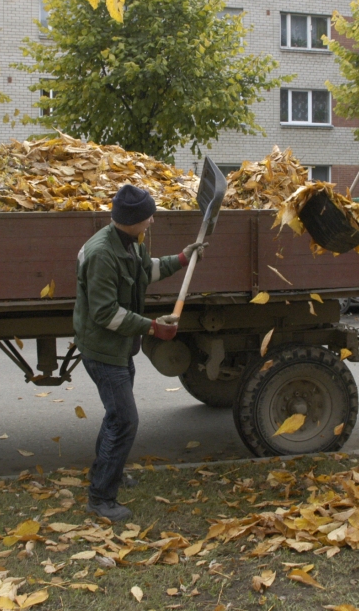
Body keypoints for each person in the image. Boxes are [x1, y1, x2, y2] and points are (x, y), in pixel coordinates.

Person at [73, 184, 208, 522]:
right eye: (148, 215)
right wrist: (152, 328)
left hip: (118, 348)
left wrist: (181, 258)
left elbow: (146, 273)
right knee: (125, 420)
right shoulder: (103, 253)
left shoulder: (129, 243)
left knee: (116, 417)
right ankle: (100, 499)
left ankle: (110, 474)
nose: (152, 219)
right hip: (103, 350)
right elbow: (105, 313)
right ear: (133, 219)